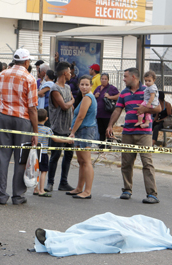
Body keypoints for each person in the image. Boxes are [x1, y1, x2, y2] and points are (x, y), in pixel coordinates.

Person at [106, 68, 161, 204]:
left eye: (125, 76)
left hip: (144, 133)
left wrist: (145, 109)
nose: (123, 79)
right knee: (126, 163)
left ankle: (152, 194)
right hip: (128, 133)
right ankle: (126, 189)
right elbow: (118, 109)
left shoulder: (147, 89)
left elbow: (159, 108)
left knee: (147, 163)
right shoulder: (124, 93)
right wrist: (110, 125)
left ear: (134, 77)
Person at [0, 48, 38, 205]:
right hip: (22, 120)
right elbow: (32, 108)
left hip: (2, 117)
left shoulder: (3, 74)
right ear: (26, 62)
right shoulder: (29, 78)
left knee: (1, 157)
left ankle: (1, 195)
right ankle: (18, 196)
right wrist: (35, 131)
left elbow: (0, 96)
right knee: (21, 158)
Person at [45, 62, 75, 193]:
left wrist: (71, 102)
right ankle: (50, 182)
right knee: (55, 156)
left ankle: (64, 182)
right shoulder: (55, 89)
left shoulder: (67, 87)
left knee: (68, 156)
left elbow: (70, 104)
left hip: (68, 128)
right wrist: (72, 101)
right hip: (58, 128)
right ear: (64, 73)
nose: (70, 74)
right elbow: (64, 106)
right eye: (69, 71)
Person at [68, 75, 97, 199]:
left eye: (86, 84)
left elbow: (81, 117)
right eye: (82, 84)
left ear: (91, 85)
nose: (84, 87)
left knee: (86, 161)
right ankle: (79, 188)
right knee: (81, 161)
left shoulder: (88, 98)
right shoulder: (84, 97)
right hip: (81, 130)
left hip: (85, 130)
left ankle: (87, 191)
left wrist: (72, 132)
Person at [33, 109, 71, 197]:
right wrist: (65, 140)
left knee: (36, 171)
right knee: (44, 171)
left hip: (35, 152)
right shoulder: (47, 129)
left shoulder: (33, 128)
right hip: (43, 153)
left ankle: (36, 189)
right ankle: (41, 190)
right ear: (46, 119)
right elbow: (55, 139)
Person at [93, 73, 119, 147]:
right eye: (102, 79)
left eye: (105, 79)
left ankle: (109, 145)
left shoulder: (111, 88)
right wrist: (95, 96)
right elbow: (92, 97)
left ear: (108, 80)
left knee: (108, 129)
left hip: (107, 114)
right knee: (101, 131)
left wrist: (110, 97)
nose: (103, 80)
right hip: (99, 113)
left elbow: (119, 95)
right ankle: (101, 147)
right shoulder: (98, 88)